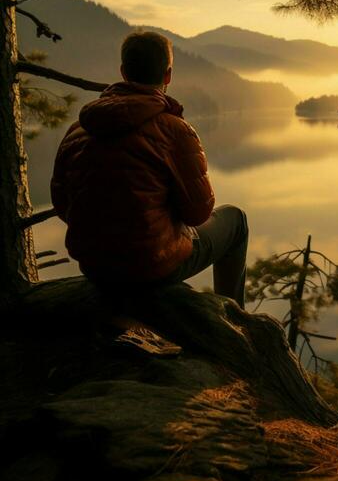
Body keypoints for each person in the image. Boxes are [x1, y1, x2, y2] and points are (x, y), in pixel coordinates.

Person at [50, 30, 248, 308]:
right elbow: (199, 212)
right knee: (236, 221)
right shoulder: (174, 130)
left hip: (95, 268)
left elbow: (62, 206)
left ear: (123, 72)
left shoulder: (79, 129)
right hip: (151, 267)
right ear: (168, 75)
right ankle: (233, 314)